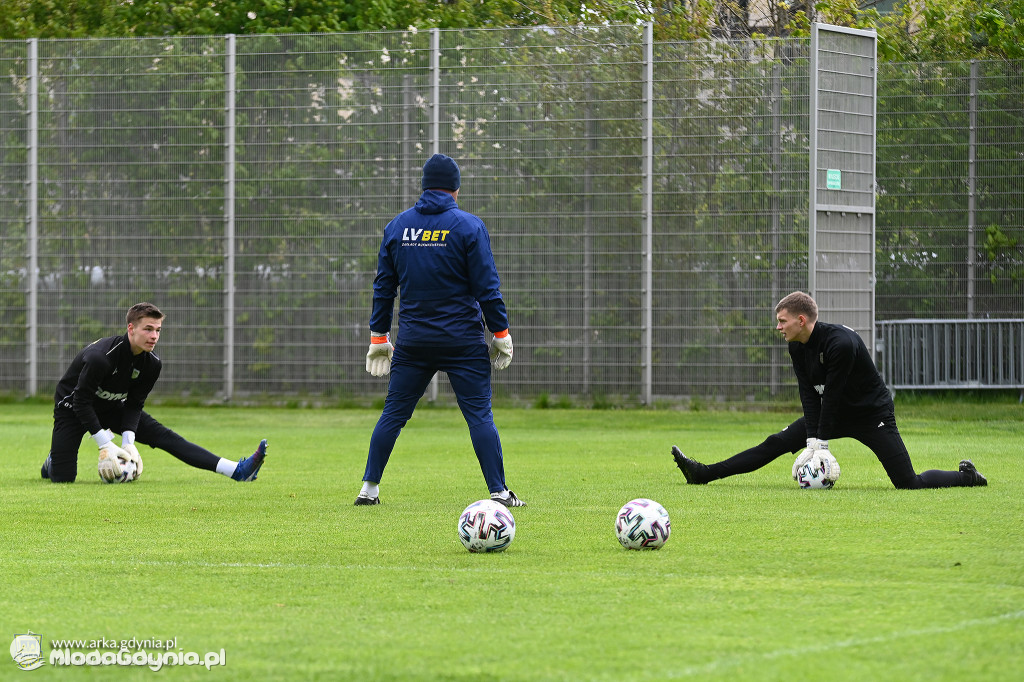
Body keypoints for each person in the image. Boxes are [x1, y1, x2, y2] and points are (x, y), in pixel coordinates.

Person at [671, 291, 988, 489]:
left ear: (801, 319)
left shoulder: (841, 343)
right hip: (831, 413)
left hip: (870, 415)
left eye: (782, 321)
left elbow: (833, 395)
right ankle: (702, 474)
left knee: (908, 483)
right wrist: (811, 440)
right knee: (776, 443)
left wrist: (819, 444)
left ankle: (966, 477)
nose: (778, 327)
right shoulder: (796, 346)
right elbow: (810, 395)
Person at [355, 153, 523, 507]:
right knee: (479, 415)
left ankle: (368, 490)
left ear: (424, 186)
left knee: (394, 414)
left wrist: (378, 336)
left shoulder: (397, 227)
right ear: (456, 188)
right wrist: (501, 332)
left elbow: (384, 288)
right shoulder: (469, 226)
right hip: (462, 341)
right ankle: (498, 492)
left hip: (414, 342)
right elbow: (487, 288)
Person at [40, 302, 267, 483]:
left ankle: (237, 470)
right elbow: (81, 401)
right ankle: (53, 461)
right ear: (131, 328)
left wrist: (129, 441)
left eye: (158, 330)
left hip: (110, 407)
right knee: (63, 478)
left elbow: (134, 404)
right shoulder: (101, 357)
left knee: (164, 436)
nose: (154, 336)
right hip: (72, 408)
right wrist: (105, 444)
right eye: (148, 329)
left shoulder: (152, 364)